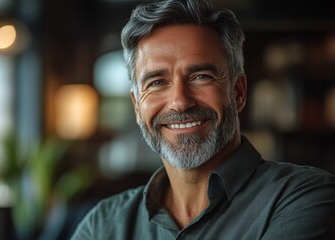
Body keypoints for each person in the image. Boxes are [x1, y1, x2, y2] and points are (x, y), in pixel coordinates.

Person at [71, 0, 335, 239]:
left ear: (238, 92)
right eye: (157, 82)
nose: (180, 101)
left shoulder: (306, 199)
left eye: (201, 77)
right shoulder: (103, 224)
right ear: (137, 107)